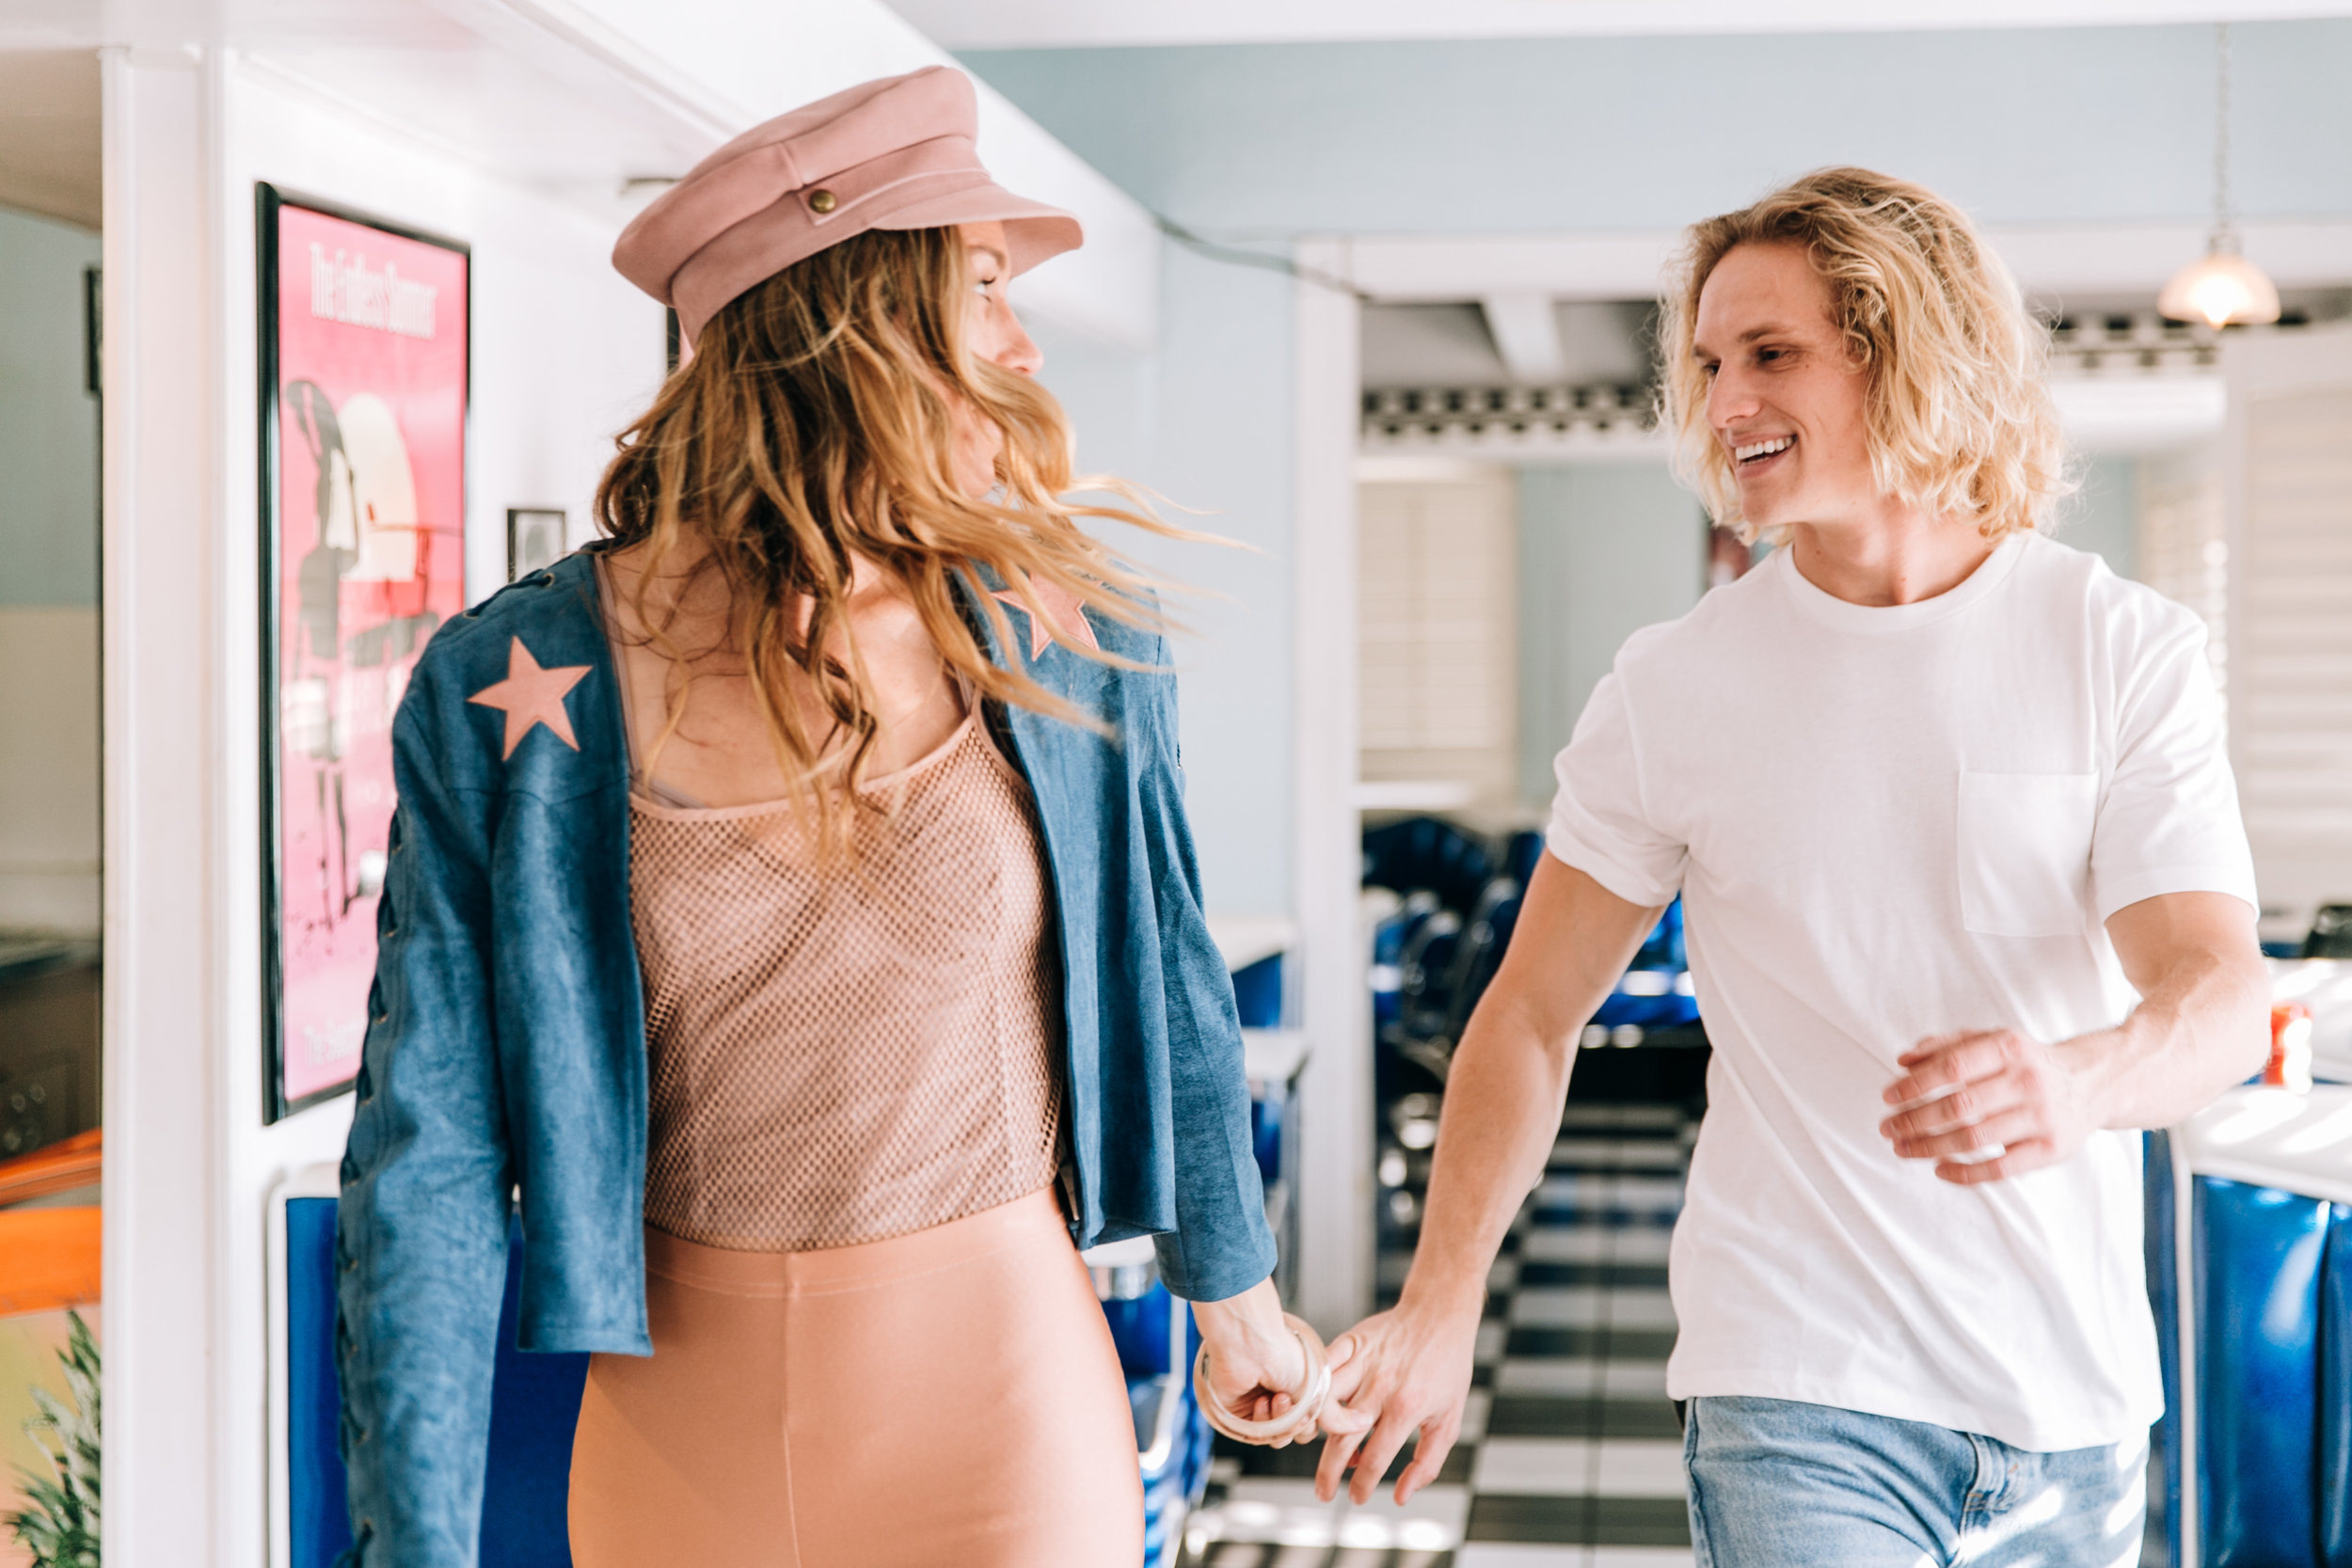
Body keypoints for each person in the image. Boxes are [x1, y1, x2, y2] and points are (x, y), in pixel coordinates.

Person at [333, 67, 1325, 1568]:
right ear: (860, 315)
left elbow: (1166, 961)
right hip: (680, 1431)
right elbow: (432, 1147)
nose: (1020, 336)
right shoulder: (512, 682)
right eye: (983, 284)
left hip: (1002, 1403)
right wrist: (408, 1540)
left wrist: (1232, 1293)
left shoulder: (1065, 630)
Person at [1315, 168, 2269, 1565]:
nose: (1723, 403)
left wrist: (2075, 1081)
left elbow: (2219, 992)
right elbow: (1527, 1011)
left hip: (2072, 1399)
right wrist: (1443, 1297)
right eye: (1707, 364)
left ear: (1908, 352)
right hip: (1796, 1384)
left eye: (1771, 355)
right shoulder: (1677, 686)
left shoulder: (2119, 649)